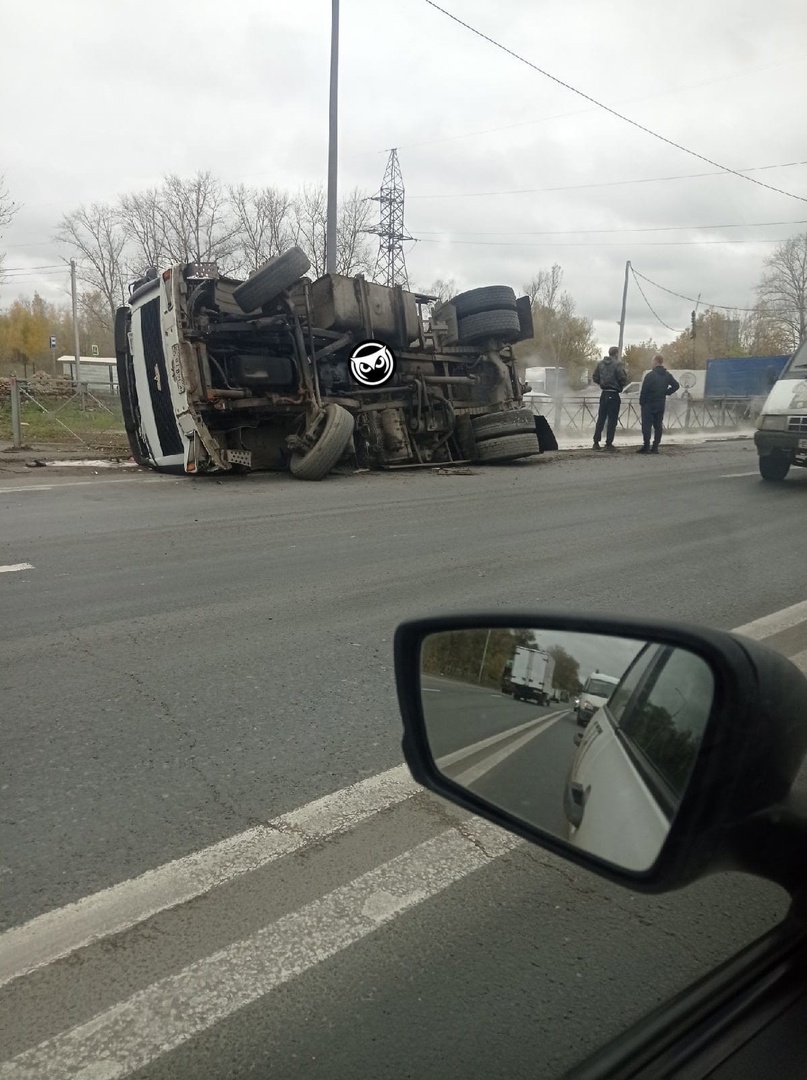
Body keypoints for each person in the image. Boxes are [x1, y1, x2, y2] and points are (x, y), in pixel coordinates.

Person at [638, 354, 680, 454]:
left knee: (647, 425)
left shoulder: (650, 375)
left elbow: (644, 391)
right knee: (658, 425)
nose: (651, 363)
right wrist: (666, 392)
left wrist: (642, 402)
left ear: (656, 362)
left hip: (648, 403)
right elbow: (676, 385)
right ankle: (655, 447)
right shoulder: (667, 375)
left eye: (652, 361)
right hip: (660, 403)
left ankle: (646, 446)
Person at [592, 346, 628, 451]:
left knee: (601, 418)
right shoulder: (618, 364)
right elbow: (623, 378)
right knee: (612, 420)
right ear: (616, 354)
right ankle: (608, 443)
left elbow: (595, 377)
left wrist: (602, 383)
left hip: (604, 394)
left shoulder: (600, 364)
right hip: (614, 394)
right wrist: (620, 384)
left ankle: (596, 442)